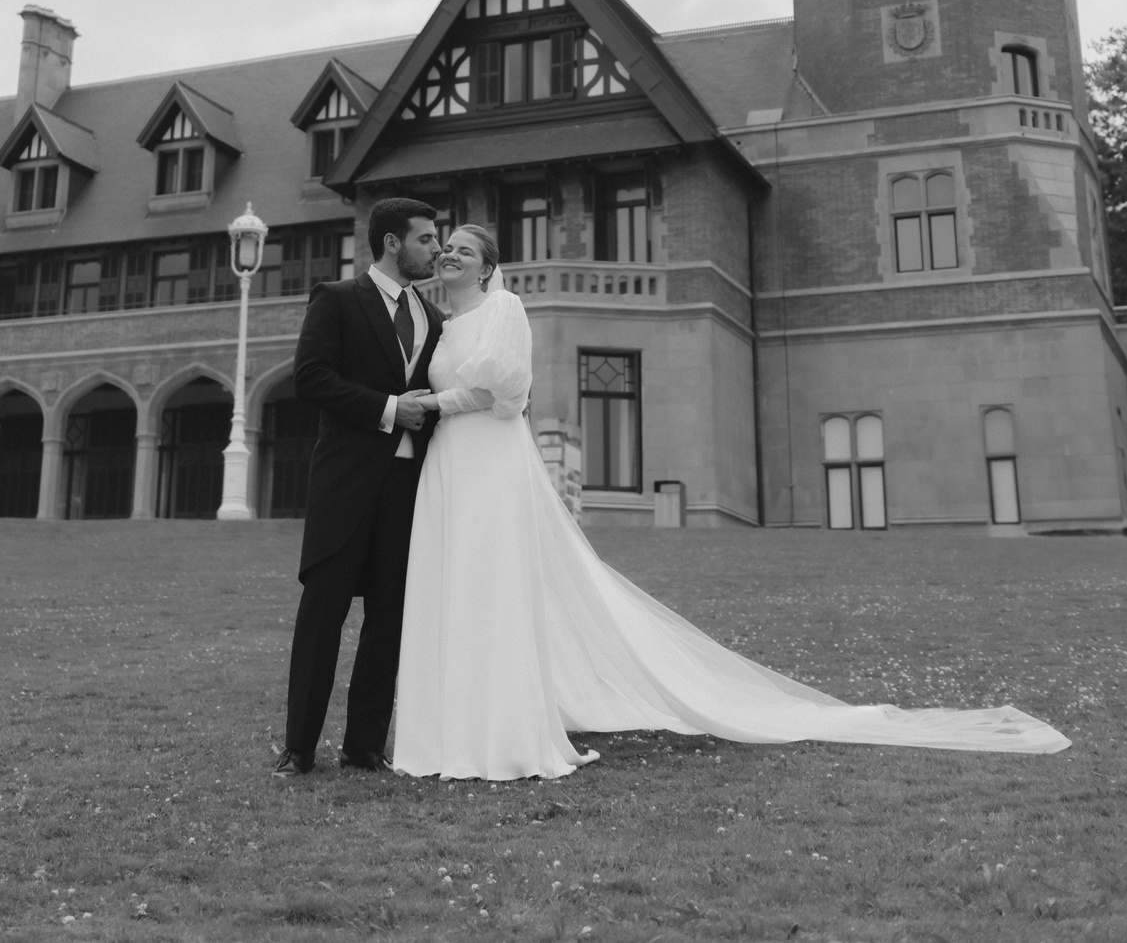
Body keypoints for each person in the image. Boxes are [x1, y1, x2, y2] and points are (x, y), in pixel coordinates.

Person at [392, 223, 1070, 781]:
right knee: (458, 587)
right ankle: (451, 724)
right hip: (451, 463)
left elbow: (505, 391)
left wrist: (432, 401)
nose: (448, 254)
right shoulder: (443, 327)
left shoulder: (505, 310)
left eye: (463, 250)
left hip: (490, 460)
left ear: (488, 268)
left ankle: (500, 732)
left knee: (497, 585)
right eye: (444, 247)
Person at [275, 197, 446, 775]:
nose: (437, 249)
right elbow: (311, 378)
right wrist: (389, 409)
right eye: (426, 239)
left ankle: (365, 746)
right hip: (345, 485)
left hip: (408, 486)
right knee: (323, 612)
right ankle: (299, 747)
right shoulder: (338, 299)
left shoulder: (435, 319)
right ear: (393, 243)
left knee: (390, 615)